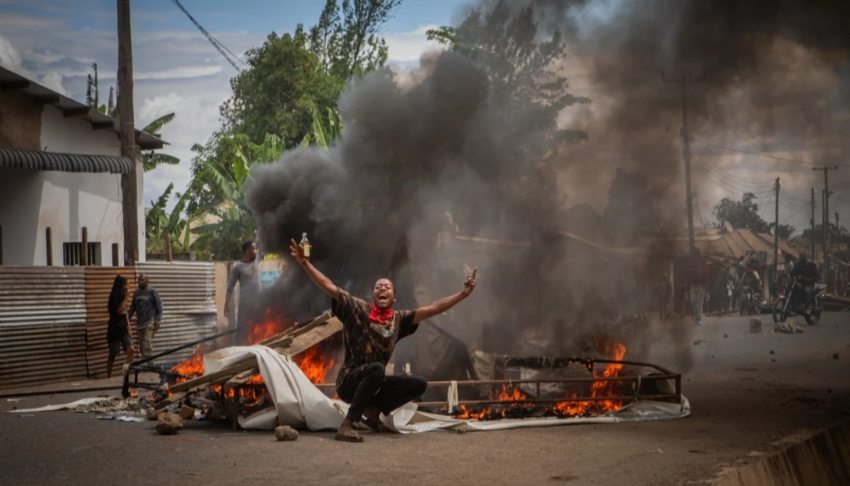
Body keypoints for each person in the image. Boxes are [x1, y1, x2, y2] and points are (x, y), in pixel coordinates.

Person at [289, 237, 477, 443]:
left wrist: (463, 294)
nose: (382, 290)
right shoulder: (358, 309)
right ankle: (347, 424)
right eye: (378, 287)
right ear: (373, 295)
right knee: (377, 368)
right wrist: (305, 263)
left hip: (375, 384)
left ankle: (374, 411)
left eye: (387, 288)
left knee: (418, 383)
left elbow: (433, 308)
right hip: (349, 382)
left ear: (394, 298)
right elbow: (329, 287)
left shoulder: (399, 320)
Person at [225, 240, 260, 343]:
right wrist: (226, 304)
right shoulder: (238, 267)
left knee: (259, 327)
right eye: (253, 249)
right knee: (243, 330)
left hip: (259, 301)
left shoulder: (257, 260)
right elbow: (230, 287)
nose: (256, 251)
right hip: (245, 304)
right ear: (247, 251)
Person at [128, 273, 163, 357]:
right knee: (141, 347)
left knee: (147, 344)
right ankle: (147, 364)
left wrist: (158, 320)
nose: (140, 281)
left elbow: (159, 306)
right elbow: (133, 307)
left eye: (142, 280)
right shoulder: (136, 293)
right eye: (139, 280)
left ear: (147, 281)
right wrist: (127, 318)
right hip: (140, 324)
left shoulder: (152, 292)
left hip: (149, 322)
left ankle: (150, 365)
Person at [106, 275, 134, 378]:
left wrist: (129, 328)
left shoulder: (122, 296)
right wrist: (127, 297)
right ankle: (108, 376)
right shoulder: (114, 296)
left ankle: (126, 373)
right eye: (125, 284)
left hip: (123, 329)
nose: (127, 286)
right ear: (121, 285)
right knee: (113, 355)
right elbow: (119, 310)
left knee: (131, 349)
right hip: (114, 329)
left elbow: (125, 312)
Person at [687, 248, 709, 325]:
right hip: (693, 285)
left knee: (699, 303)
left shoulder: (702, 260)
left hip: (700, 285)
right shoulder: (691, 261)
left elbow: (705, 272)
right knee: (693, 302)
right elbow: (689, 272)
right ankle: (697, 317)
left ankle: (698, 318)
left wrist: (705, 283)